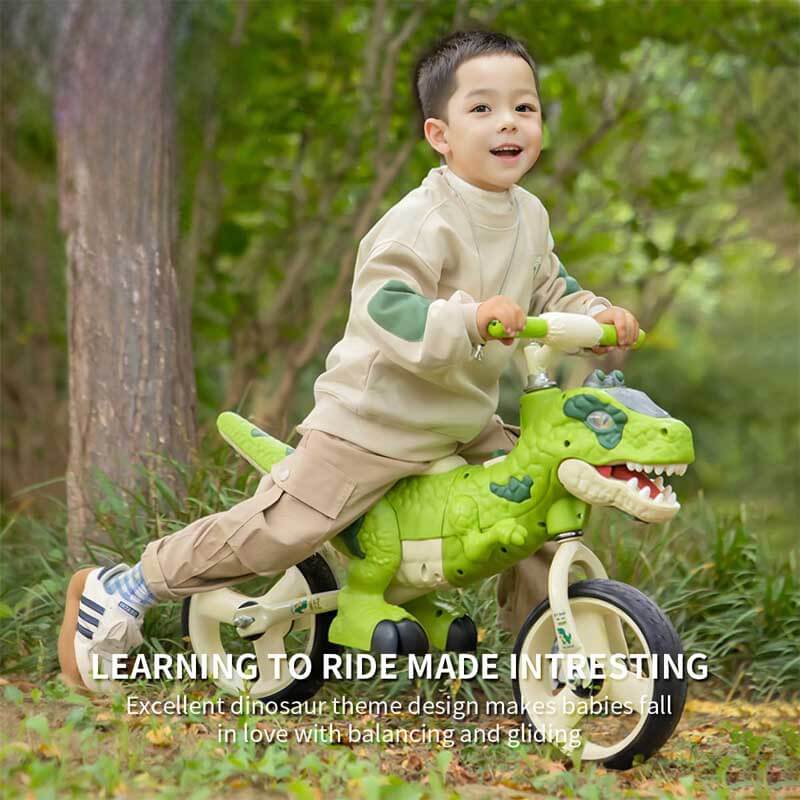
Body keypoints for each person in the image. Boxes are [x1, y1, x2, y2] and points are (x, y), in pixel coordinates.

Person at [59, 30, 639, 691]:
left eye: (524, 108)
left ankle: (548, 651)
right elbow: (387, 308)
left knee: (541, 489)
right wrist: (468, 319)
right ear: (439, 134)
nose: (508, 121)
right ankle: (128, 585)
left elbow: (552, 291)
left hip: (457, 419)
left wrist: (597, 316)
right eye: (481, 108)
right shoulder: (422, 219)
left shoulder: (529, 215)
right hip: (374, 421)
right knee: (286, 528)